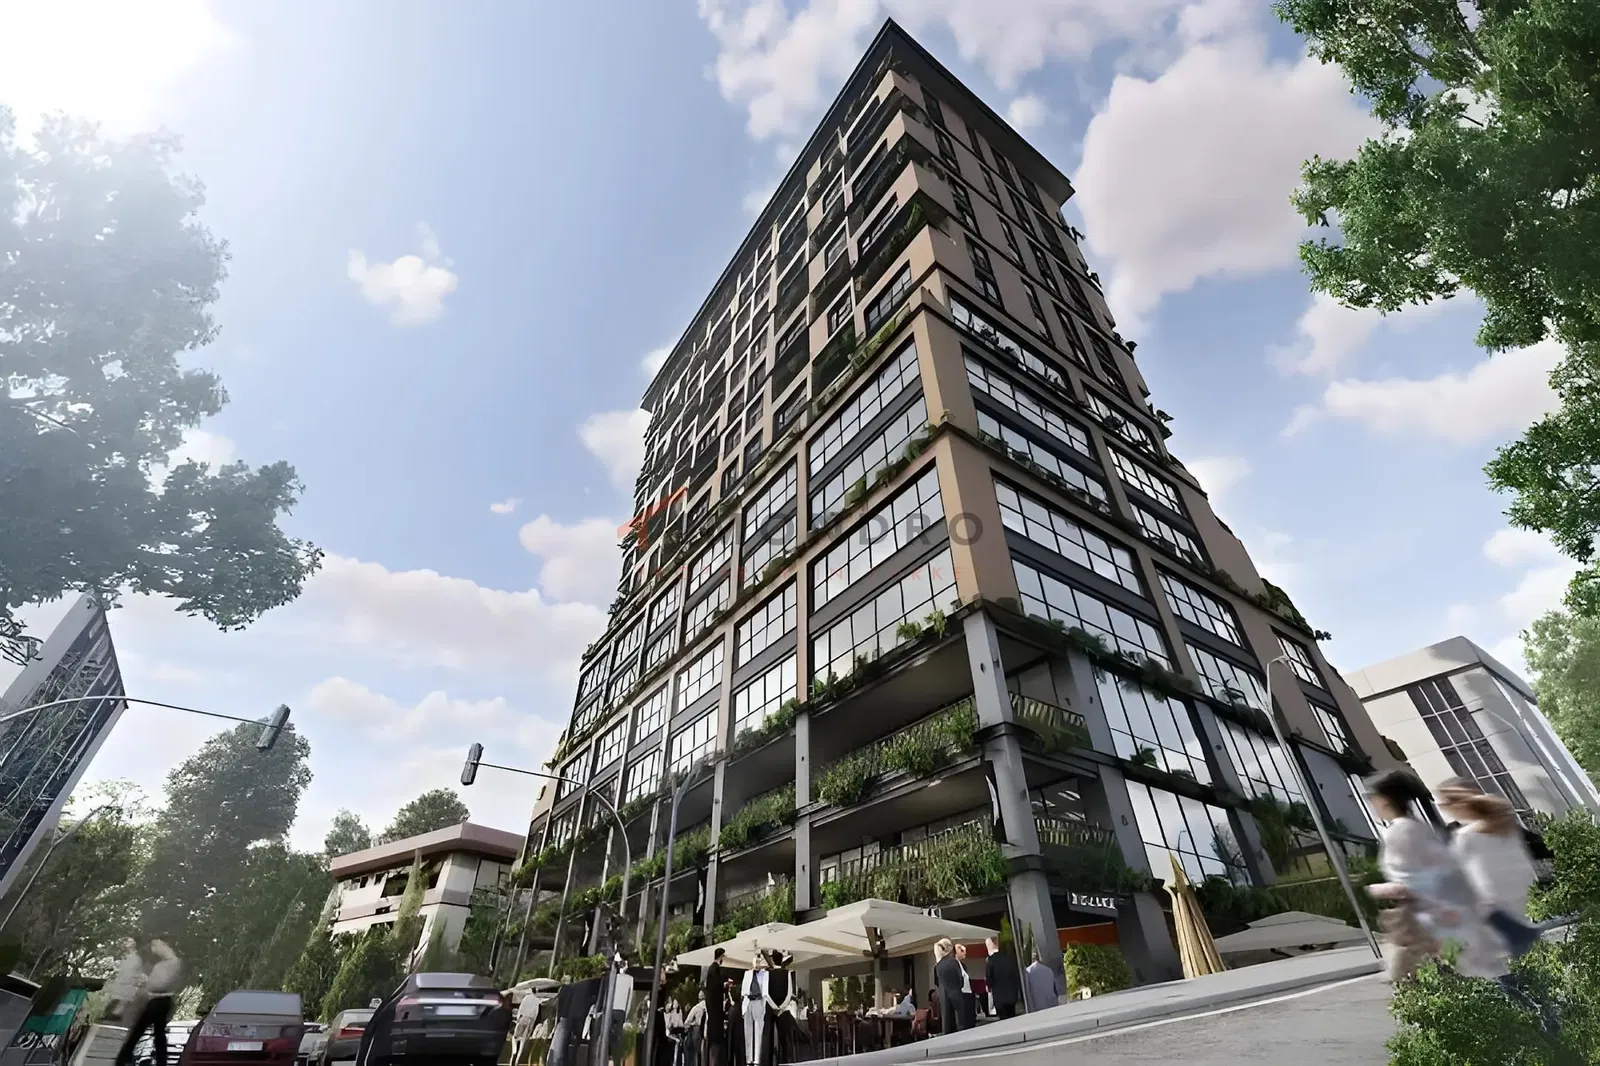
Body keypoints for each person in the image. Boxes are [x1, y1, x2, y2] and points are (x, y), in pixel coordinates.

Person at [1364, 771, 1491, 982]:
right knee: (1439, 973)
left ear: (1385, 799)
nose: (1371, 804)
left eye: (1372, 798)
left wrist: (1380, 889)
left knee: (1403, 978)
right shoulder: (1415, 828)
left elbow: (1415, 878)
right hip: (1432, 913)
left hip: (1417, 914)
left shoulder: (1400, 833)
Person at [115, 940, 181, 1066]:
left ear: (165, 945)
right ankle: (159, 1061)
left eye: (155, 945)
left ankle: (122, 1060)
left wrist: (147, 981)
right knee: (157, 1034)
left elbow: (160, 984)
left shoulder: (173, 963)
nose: (153, 949)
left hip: (160, 1002)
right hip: (156, 1001)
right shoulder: (162, 964)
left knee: (139, 1030)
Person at [932, 939, 966, 1035]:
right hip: (956, 994)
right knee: (960, 1023)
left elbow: (936, 983)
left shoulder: (937, 966)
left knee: (947, 1023)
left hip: (944, 996)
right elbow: (961, 979)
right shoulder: (954, 962)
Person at [983, 937, 1022, 1019]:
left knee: (1004, 1020)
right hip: (1012, 995)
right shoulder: (1009, 958)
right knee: (1012, 1017)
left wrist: (989, 986)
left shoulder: (990, 960)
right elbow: (1015, 975)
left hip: (999, 997)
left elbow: (989, 978)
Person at [703, 949, 727, 1066]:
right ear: (721, 956)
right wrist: (725, 985)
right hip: (715, 1009)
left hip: (712, 1008)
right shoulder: (715, 969)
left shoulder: (711, 969)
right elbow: (717, 985)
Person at [953, 944, 976, 1029]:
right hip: (962, 993)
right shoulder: (954, 964)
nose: (964, 953)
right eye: (961, 951)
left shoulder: (963, 965)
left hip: (967, 993)